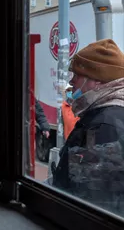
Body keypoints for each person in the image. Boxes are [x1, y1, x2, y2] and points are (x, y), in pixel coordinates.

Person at [52, 39, 124, 214]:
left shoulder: (104, 123)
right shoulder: (104, 114)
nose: (72, 82)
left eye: (77, 75)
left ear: (98, 80)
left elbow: (96, 198)